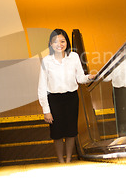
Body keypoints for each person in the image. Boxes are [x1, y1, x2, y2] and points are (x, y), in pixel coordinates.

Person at [38, 29, 95, 163]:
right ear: (50, 44)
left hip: (71, 98)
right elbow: (42, 87)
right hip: (54, 99)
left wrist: (89, 77)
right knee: (57, 133)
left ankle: (68, 160)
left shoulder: (74, 56)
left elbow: (80, 78)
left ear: (67, 42)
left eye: (63, 41)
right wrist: (46, 110)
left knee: (71, 131)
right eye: (56, 42)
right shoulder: (46, 61)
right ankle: (60, 160)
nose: (60, 44)